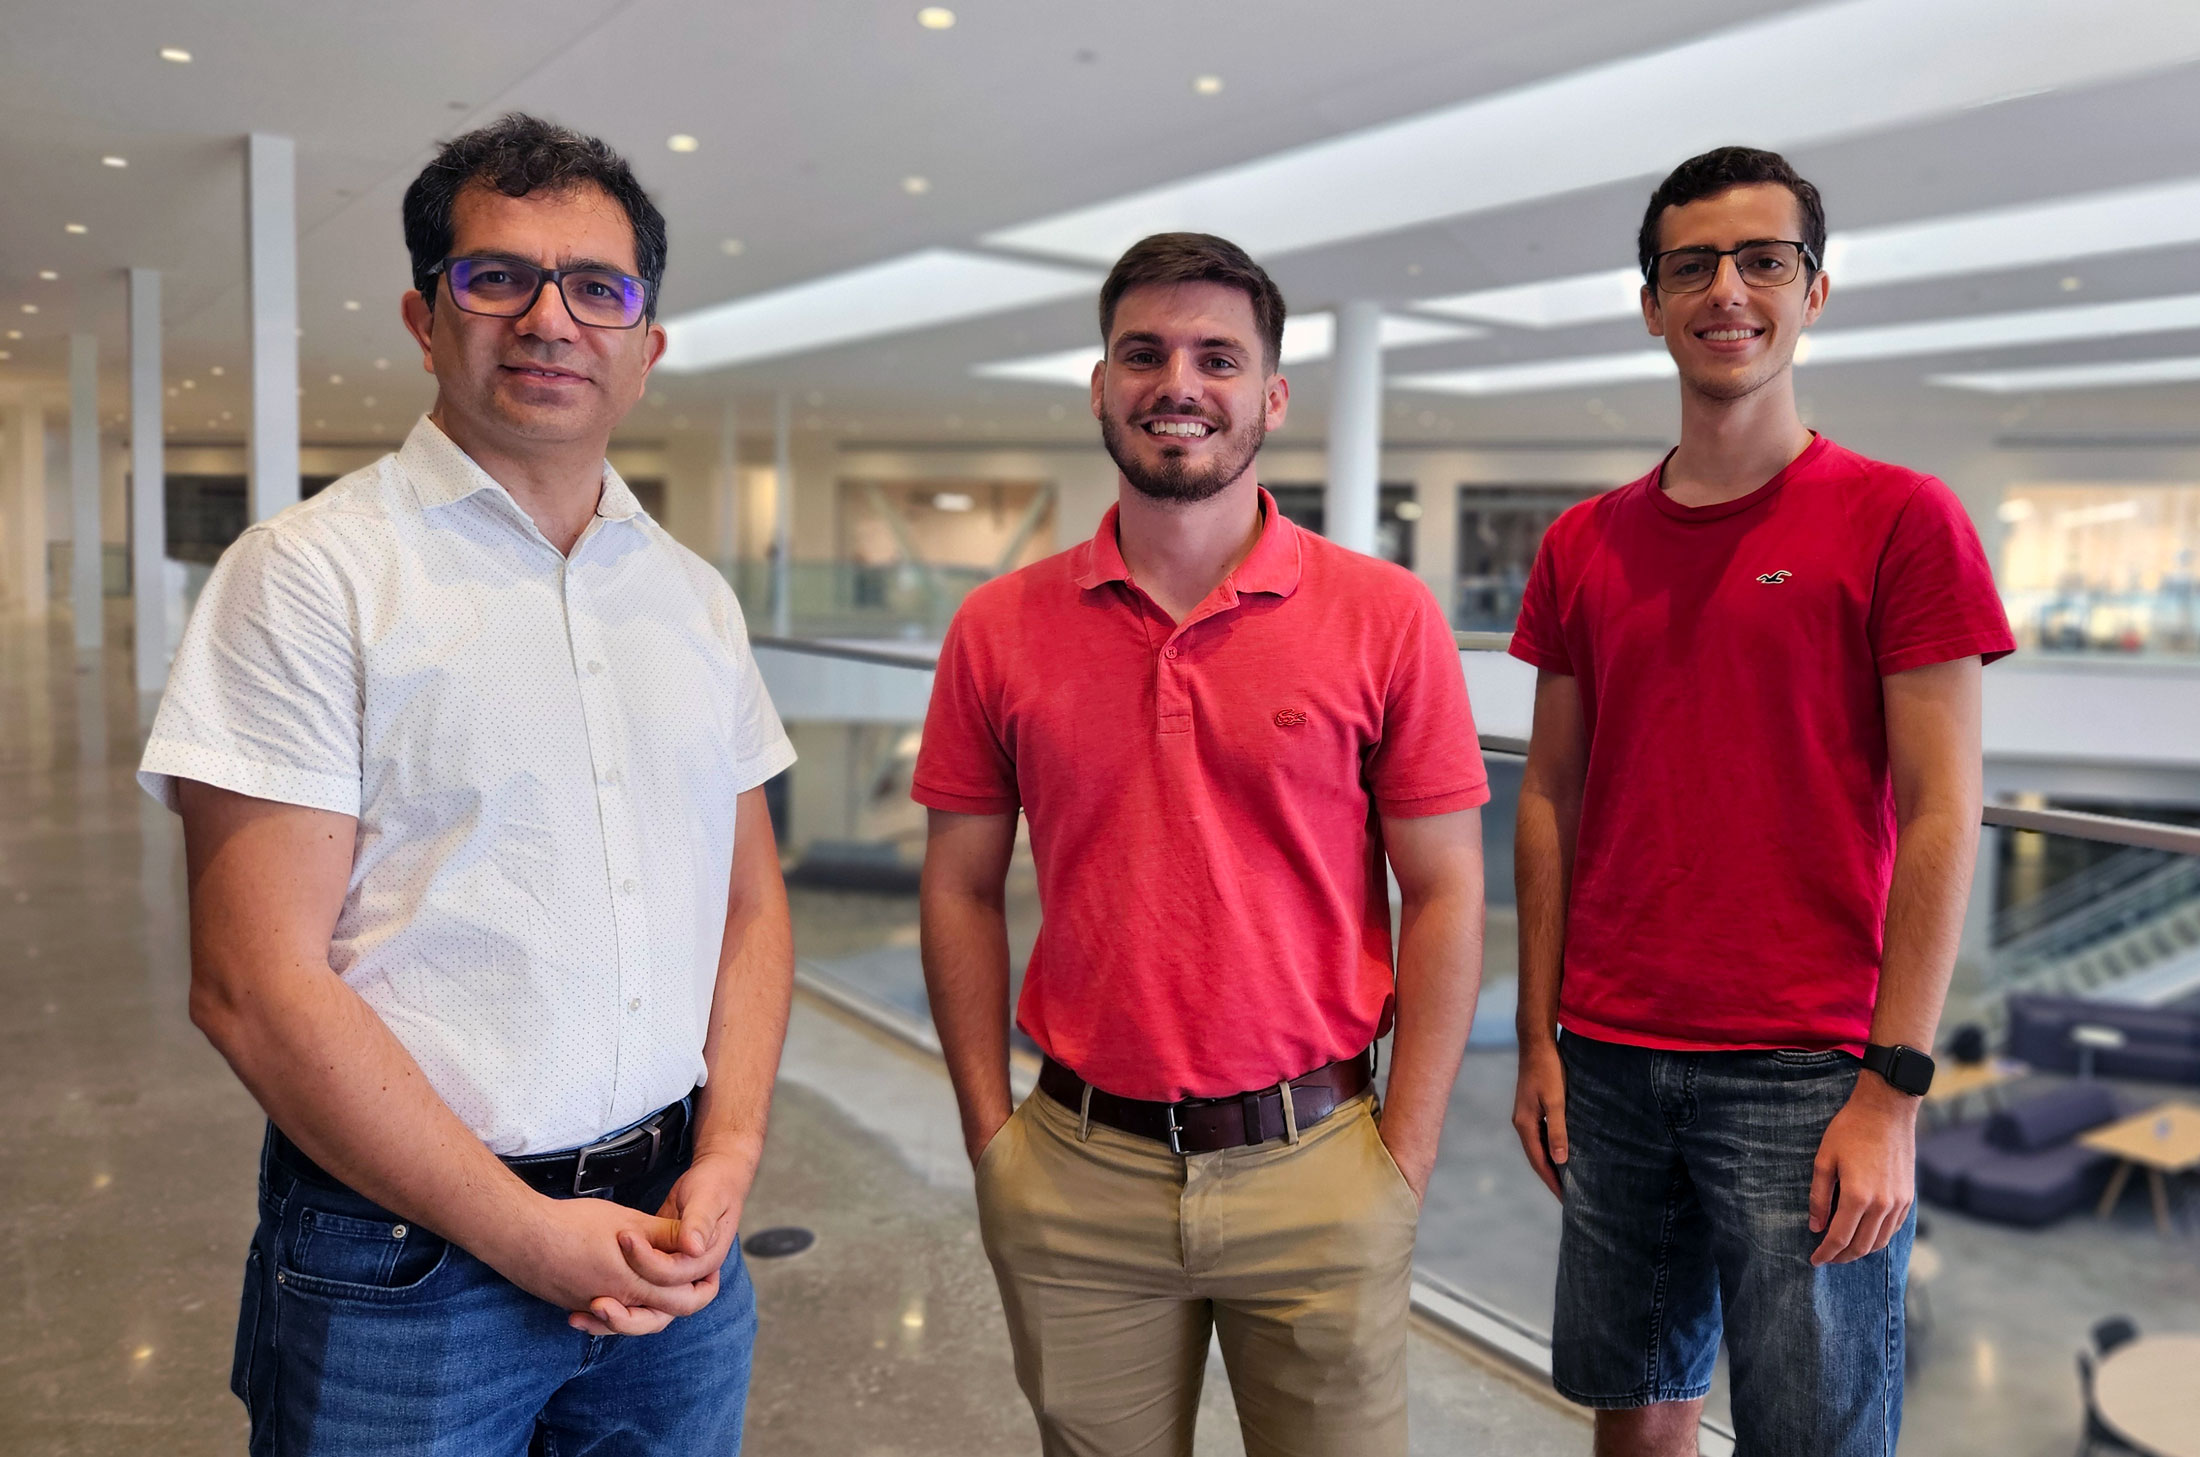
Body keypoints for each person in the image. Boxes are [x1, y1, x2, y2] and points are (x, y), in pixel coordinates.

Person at [138, 113, 796, 1455]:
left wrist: (725, 1159)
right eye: (499, 276)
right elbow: (252, 984)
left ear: (646, 344)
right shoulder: (313, 574)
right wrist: (527, 1236)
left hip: (677, 1240)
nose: (552, 317)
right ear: (425, 316)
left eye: (598, 288)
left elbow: (751, 912)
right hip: (409, 1265)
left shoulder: (693, 600)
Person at [915, 231, 1489, 1457]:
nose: (1178, 381)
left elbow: (1444, 889)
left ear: (1271, 397)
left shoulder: (1385, 617)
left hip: (1320, 1165)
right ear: (1102, 386)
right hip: (1073, 1173)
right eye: (1144, 352)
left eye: (1217, 356)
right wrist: (988, 1132)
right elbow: (959, 884)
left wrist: (1405, 1156)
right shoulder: (997, 628)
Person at [1507, 147, 2015, 1457]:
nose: (1726, 289)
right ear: (1652, 302)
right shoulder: (1583, 545)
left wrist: (1893, 1091)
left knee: (1816, 1436)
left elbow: (1947, 812)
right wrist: (1540, 1038)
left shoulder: (1903, 521)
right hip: (1612, 1052)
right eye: (1693, 266)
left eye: (1762, 260)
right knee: (1637, 1408)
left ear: (1815, 290)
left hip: (1810, 1071)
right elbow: (1550, 797)